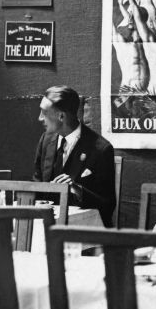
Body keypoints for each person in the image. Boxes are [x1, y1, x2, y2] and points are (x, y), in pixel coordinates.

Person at [33, 86, 116, 227]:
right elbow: (36, 184)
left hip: (83, 230)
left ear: (61, 116)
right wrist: (48, 189)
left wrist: (77, 190)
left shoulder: (101, 149)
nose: (40, 117)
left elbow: (107, 204)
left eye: (44, 112)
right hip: (46, 225)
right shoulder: (46, 140)